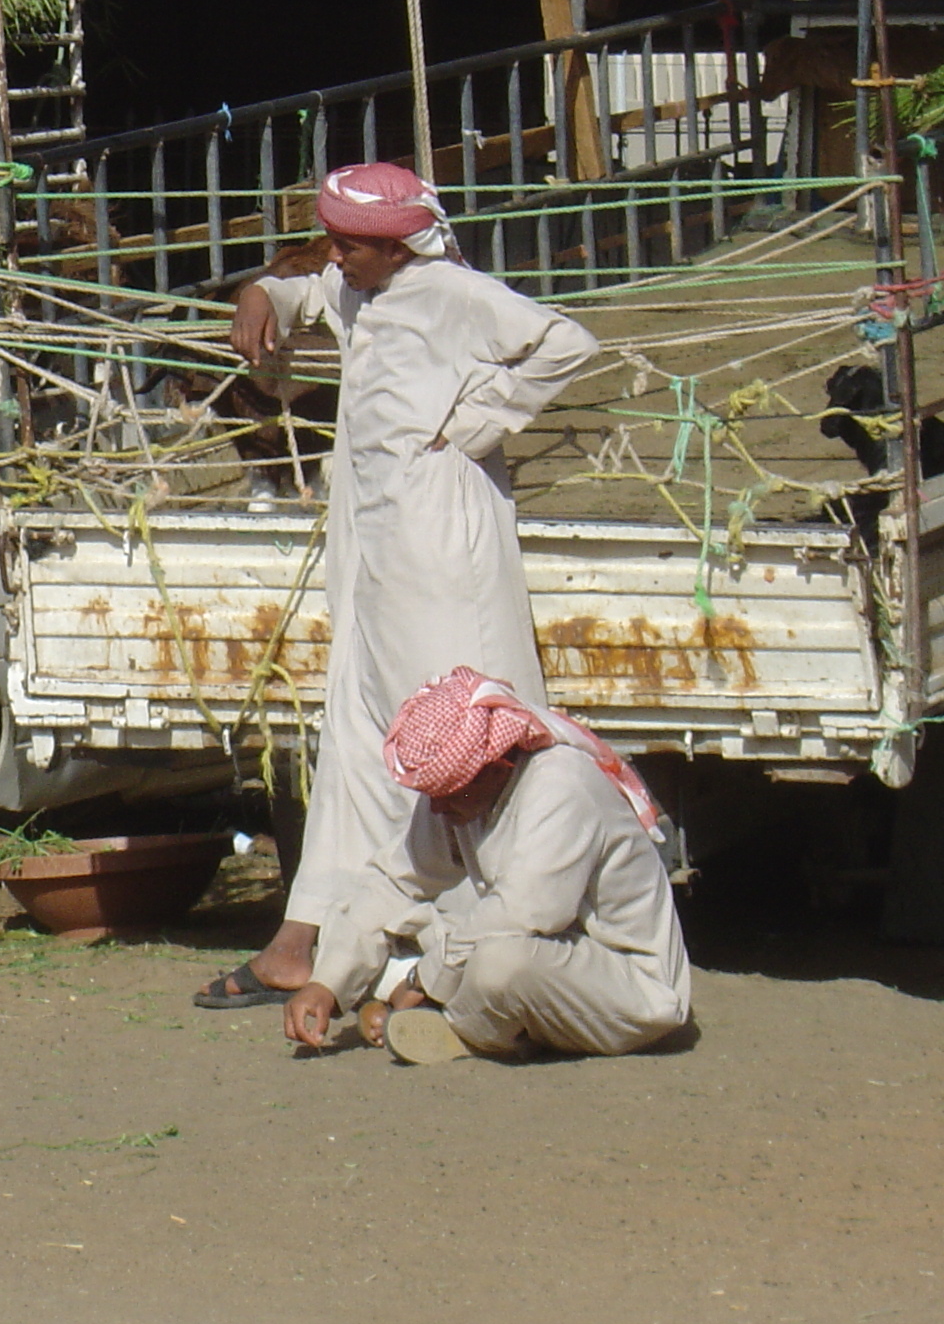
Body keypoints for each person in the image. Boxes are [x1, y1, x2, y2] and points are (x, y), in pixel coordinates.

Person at [195, 162, 600, 1010]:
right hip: (371, 545)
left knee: (449, 738)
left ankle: (446, 941)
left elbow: (564, 343)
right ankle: (313, 934)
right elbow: (307, 295)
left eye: (349, 246)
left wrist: (476, 419)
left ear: (397, 245)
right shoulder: (359, 293)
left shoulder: (454, 293)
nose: (334, 259)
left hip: (439, 543)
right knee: (356, 734)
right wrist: (264, 293)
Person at [284, 666, 692, 1063]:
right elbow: (396, 882)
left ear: (497, 768)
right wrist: (327, 984)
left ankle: (453, 1026)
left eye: (449, 795)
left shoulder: (561, 785)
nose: (438, 809)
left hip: (630, 986)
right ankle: (459, 1018)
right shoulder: (461, 791)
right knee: (403, 928)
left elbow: (527, 912)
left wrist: (422, 981)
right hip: (541, 955)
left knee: (498, 963)